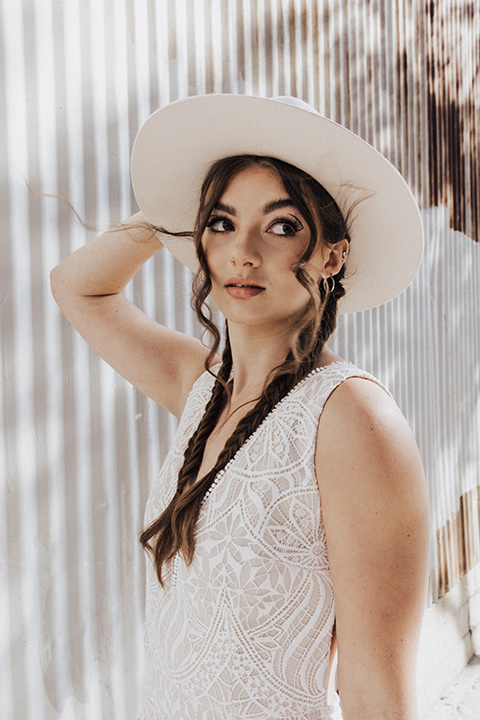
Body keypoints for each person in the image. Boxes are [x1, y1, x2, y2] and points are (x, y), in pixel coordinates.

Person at [50, 95, 430, 720]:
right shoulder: (197, 385)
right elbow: (78, 286)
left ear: (333, 254)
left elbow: (376, 692)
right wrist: (174, 205)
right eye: (222, 223)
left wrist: (211, 202)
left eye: (281, 226)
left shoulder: (352, 417)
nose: (241, 252)